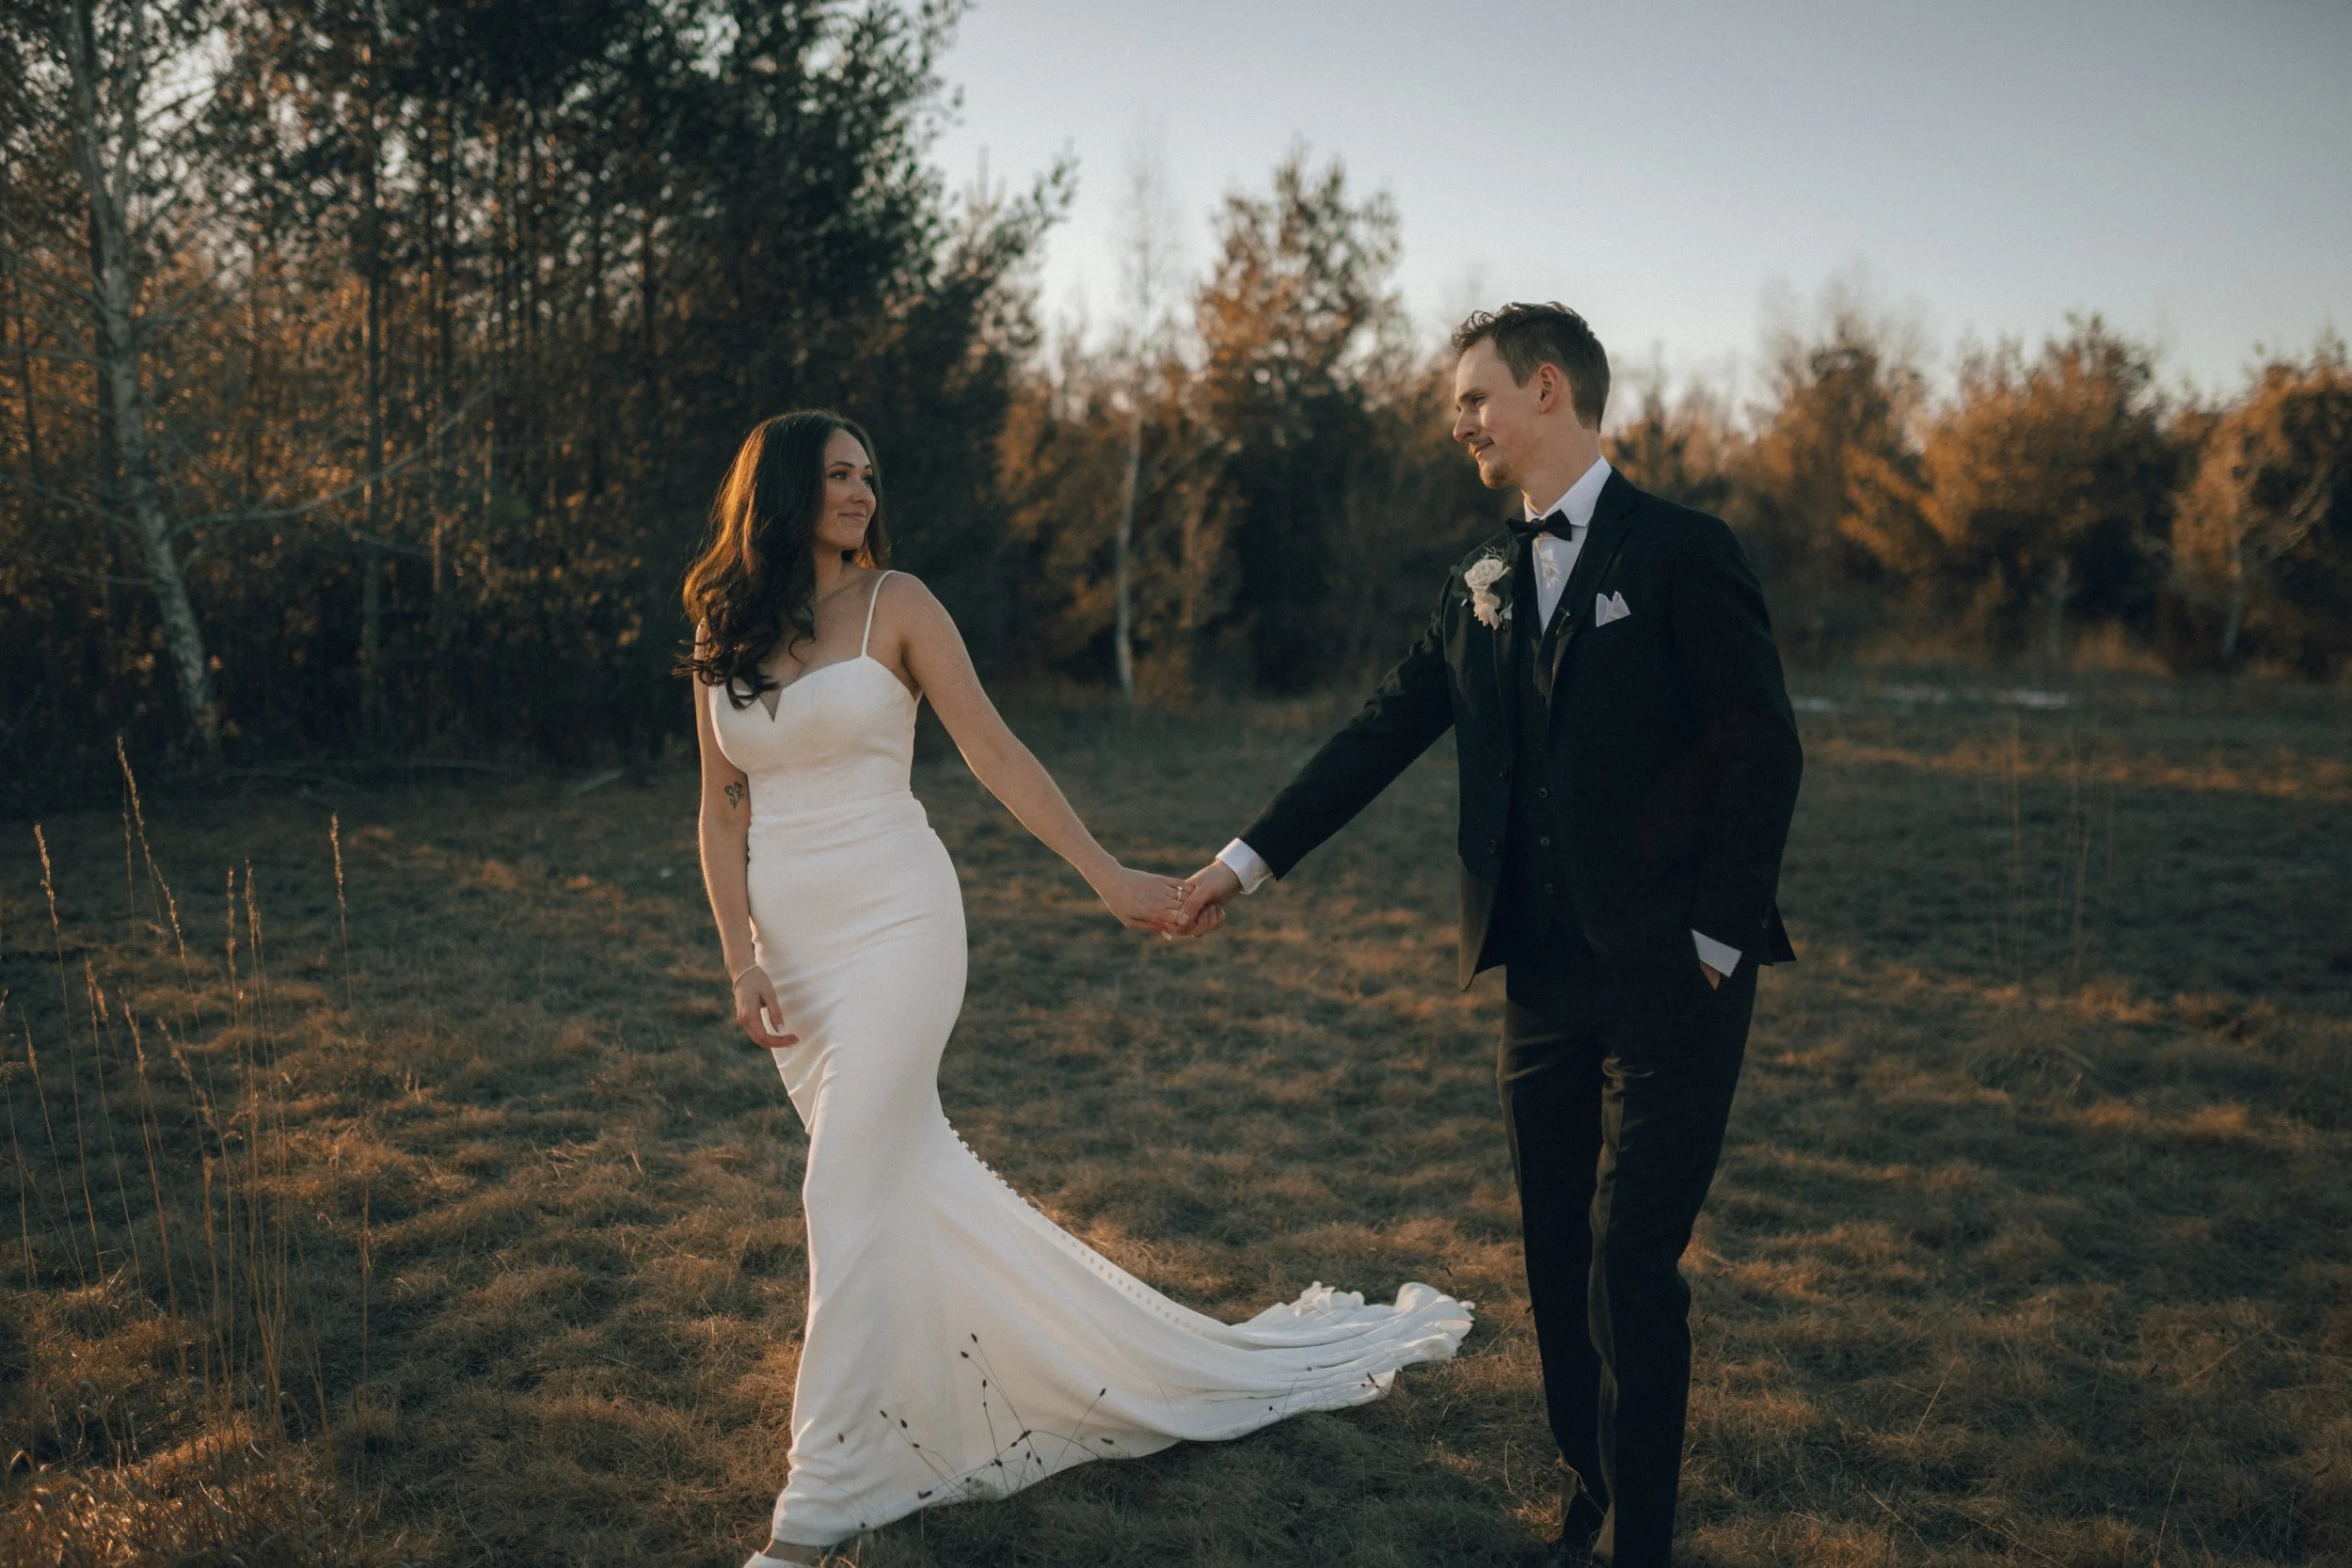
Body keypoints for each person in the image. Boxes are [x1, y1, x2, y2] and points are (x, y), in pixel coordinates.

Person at [684, 410, 1473, 1567]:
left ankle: (816, 1509)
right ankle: (976, 1376)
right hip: (792, 955)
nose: (862, 491)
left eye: (870, 472)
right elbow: (718, 806)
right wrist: (738, 955)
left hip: (900, 923)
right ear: (784, 488)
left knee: (839, 1185)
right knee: (894, 1184)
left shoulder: (899, 604)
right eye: (840, 474)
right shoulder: (723, 621)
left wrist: (1106, 875)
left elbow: (995, 752)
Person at [1176, 304, 1804, 1567]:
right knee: (1556, 1249)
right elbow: (1378, 732)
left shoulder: (1683, 549)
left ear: (1548, 388)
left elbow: (1764, 745)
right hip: (1541, 980)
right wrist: (1241, 863)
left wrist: (1720, 939)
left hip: (1677, 973)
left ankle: (1644, 1544)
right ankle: (1589, 1496)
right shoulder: (1478, 581)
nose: (1457, 420)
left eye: (1473, 397)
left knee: (1634, 1259)